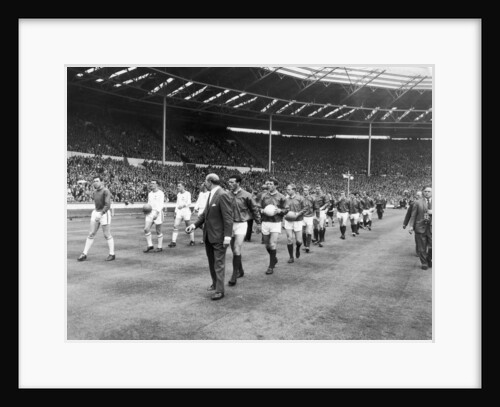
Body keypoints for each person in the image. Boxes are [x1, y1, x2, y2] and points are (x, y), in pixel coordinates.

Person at [185, 173, 233, 300]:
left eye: (205, 181)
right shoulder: (211, 194)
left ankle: (220, 291)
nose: (204, 183)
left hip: (219, 236)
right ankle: (215, 283)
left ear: (210, 181)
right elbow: (204, 214)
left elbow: (228, 218)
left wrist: (227, 237)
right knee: (212, 262)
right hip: (209, 236)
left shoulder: (222, 195)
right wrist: (194, 226)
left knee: (218, 263)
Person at [227, 174, 262, 286]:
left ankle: (234, 275)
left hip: (241, 224)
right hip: (229, 224)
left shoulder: (247, 195)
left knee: (237, 249)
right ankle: (240, 270)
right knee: (233, 250)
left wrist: (258, 223)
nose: (230, 184)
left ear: (238, 183)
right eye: (229, 182)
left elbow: (254, 209)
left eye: (232, 182)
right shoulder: (226, 194)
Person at [77, 175, 115, 261]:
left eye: (97, 181)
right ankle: (84, 254)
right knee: (91, 233)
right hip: (96, 212)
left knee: (106, 234)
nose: (95, 182)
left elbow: (107, 205)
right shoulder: (94, 192)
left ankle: (112, 254)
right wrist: (82, 192)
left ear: (102, 182)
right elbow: (83, 198)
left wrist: (101, 213)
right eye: (94, 181)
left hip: (104, 214)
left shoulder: (106, 191)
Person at [259, 178, 288, 275]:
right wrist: (261, 210)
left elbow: (286, 209)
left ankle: (271, 267)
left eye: (271, 184)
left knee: (272, 244)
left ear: (276, 185)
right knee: (267, 245)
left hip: (276, 222)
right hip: (265, 222)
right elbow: (258, 206)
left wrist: (280, 211)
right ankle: (274, 258)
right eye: (268, 184)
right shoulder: (263, 196)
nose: (269, 185)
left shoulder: (282, 197)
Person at [408, 187, 432, 270]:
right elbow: (413, 215)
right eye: (425, 191)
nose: (427, 193)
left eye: (429, 191)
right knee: (421, 247)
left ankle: (429, 259)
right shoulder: (417, 202)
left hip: (432, 228)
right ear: (423, 192)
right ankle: (424, 263)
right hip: (420, 227)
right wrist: (411, 226)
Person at [283, 184, 306, 264]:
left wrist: (297, 214)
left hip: (298, 220)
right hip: (288, 220)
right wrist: (285, 214)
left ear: (294, 190)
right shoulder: (285, 198)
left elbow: (305, 208)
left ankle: (298, 248)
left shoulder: (300, 198)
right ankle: (291, 257)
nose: (287, 190)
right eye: (287, 189)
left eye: (288, 189)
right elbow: (283, 209)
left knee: (299, 241)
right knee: (289, 239)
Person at [168, 181, 195, 247]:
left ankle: (192, 240)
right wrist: (175, 211)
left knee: (188, 226)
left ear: (183, 186)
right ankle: (173, 242)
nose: (178, 187)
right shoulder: (178, 194)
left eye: (179, 186)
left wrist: (182, 206)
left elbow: (189, 203)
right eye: (177, 186)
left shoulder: (188, 193)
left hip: (186, 211)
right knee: (175, 225)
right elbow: (177, 204)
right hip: (179, 212)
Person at [143, 180, 165, 253]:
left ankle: (160, 247)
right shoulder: (150, 194)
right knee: (146, 229)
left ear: (157, 185)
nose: (151, 184)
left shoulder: (161, 193)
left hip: (158, 213)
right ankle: (150, 245)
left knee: (158, 231)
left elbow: (161, 204)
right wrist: (146, 210)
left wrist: (157, 213)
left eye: (153, 183)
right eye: (151, 183)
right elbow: (149, 204)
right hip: (150, 213)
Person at [403, 191, 422, 256]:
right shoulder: (413, 204)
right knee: (418, 238)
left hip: (425, 224)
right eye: (417, 195)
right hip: (416, 224)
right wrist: (405, 223)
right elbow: (408, 214)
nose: (417, 196)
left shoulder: (427, 203)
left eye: (419, 195)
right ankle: (419, 252)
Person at [301, 185, 316, 253]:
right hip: (302, 217)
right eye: (304, 190)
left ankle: (308, 246)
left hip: (310, 217)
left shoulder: (312, 198)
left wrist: (315, 215)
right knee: (303, 231)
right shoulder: (301, 198)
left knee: (309, 231)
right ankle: (305, 245)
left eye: (306, 190)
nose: (305, 191)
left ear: (308, 191)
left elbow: (315, 207)